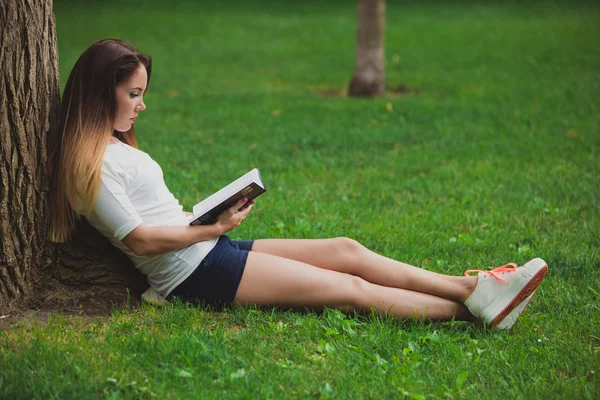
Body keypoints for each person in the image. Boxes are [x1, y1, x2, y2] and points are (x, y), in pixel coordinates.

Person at [48, 39, 548, 330]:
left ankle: (475, 289)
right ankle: (472, 310)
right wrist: (210, 229)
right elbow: (137, 238)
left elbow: (154, 220)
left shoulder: (113, 148)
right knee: (349, 290)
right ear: (100, 91)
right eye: (133, 94)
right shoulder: (87, 165)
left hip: (205, 248)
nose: (141, 105)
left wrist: (209, 221)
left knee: (347, 250)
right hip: (194, 273)